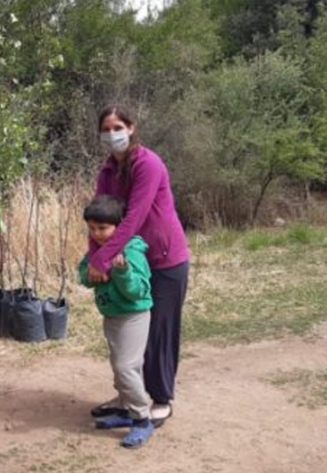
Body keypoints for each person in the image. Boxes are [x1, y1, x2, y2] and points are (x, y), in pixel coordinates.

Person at [86, 106, 191, 427]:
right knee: (127, 333)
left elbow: (134, 217)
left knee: (158, 331)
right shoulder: (106, 172)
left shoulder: (149, 164)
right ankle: (129, 398)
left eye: (118, 126)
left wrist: (102, 259)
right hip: (128, 261)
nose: (112, 133)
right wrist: (95, 256)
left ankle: (160, 399)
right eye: (106, 128)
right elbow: (98, 219)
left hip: (164, 260)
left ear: (131, 127)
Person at [79, 195, 154, 448]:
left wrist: (121, 272)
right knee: (119, 365)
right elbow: (84, 275)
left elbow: (137, 292)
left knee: (126, 367)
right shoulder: (96, 250)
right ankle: (125, 408)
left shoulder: (131, 252)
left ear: (119, 227)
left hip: (133, 316)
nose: (97, 234)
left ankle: (142, 418)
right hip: (112, 315)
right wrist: (92, 272)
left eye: (103, 228)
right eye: (92, 228)